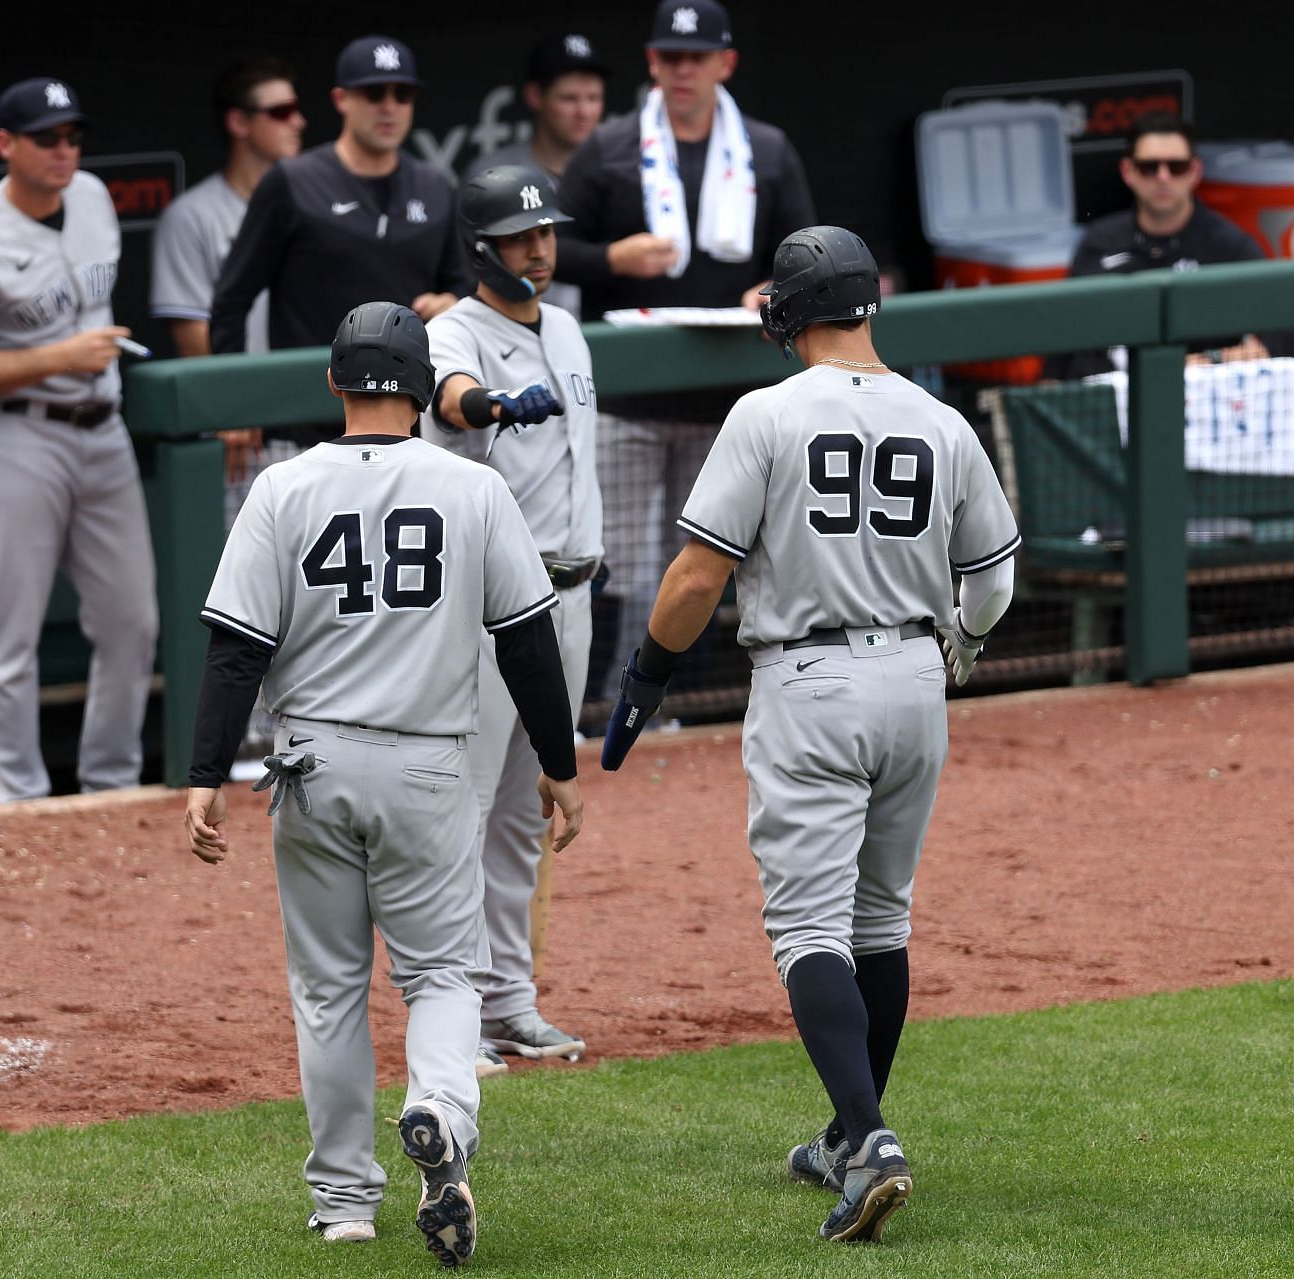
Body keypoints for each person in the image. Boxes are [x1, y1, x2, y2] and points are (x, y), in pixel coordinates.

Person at [599, 227, 1020, 1244]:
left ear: (788, 314)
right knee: (881, 918)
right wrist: (952, 650)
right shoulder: (941, 417)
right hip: (918, 680)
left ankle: (872, 1142)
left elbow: (697, 576)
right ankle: (845, 1131)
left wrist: (643, 681)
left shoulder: (767, 414)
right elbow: (996, 581)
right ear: (870, 304)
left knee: (809, 930)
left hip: (810, 679)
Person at [183, 301, 584, 1265]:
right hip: (428, 763)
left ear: (335, 383)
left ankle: (342, 1201)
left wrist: (203, 775)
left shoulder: (283, 488)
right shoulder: (472, 486)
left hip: (310, 765)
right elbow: (528, 640)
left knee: (327, 990)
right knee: (444, 972)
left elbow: (237, 648)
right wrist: (561, 767)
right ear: (419, 391)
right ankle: (440, 1105)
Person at [555, 0, 816, 691]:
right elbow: (549, 254)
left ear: (725, 63)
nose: (682, 70)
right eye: (670, 56)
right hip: (628, 398)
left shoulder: (766, 148)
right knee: (608, 561)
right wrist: (615, 258)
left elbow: (805, 254)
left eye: (696, 57)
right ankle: (588, 707)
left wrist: (769, 286)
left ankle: (678, 707)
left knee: (701, 561)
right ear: (651, 62)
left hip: (726, 402)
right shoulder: (609, 147)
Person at [0, 78, 159, 802]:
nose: (63, 151)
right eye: (46, 138)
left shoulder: (89, 195)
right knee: (10, 642)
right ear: (6, 145)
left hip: (104, 432)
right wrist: (56, 358)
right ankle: (21, 802)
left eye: (71, 136)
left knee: (133, 623)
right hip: (17, 439)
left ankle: (111, 785)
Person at [421, 164, 601, 1075]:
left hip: (572, 597)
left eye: (547, 233)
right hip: (494, 609)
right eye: (522, 238)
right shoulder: (454, 327)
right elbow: (453, 394)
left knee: (530, 809)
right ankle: (452, 1012)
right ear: (483, 248)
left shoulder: (566, 327)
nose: (540, 249)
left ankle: (510, 1004)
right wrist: (494, 403)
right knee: (472, 805)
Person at [210, 36, 468, 357]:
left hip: (410, 390)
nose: (389, 107)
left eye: (403, 94)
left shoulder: (436, 185)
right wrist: (234, 396)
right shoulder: (292, 181)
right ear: (340, 99)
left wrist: (451, 303)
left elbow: (465, 287)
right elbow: (231, 301)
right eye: (374, 93)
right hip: (313, 392)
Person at [1045, 113, 1267, 380]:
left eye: (1176, 167)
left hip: (1200, 402)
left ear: (1195, 172)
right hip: (1106, 404)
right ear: (1128, 172)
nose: (1163, 178)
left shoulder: (1231, 247)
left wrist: (1209, 363)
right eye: (1149, 167)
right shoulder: (1098, 243)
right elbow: (1061, 351)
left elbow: (1269, 348)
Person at [151, 57, 306, 359]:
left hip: (319, 389)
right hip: (244, 396)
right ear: (238, 122)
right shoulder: (192, 216)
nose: (298, 122)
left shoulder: (316, 205)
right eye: (281, 112)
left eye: (296, 109)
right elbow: (194, 343)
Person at [470, 32, 609, 318]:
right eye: (569, 99)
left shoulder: (622, 174)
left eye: (593, 98)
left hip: (607, 333)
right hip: (516, 330)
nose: (584, 111)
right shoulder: (493, 176)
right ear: (535, 96)